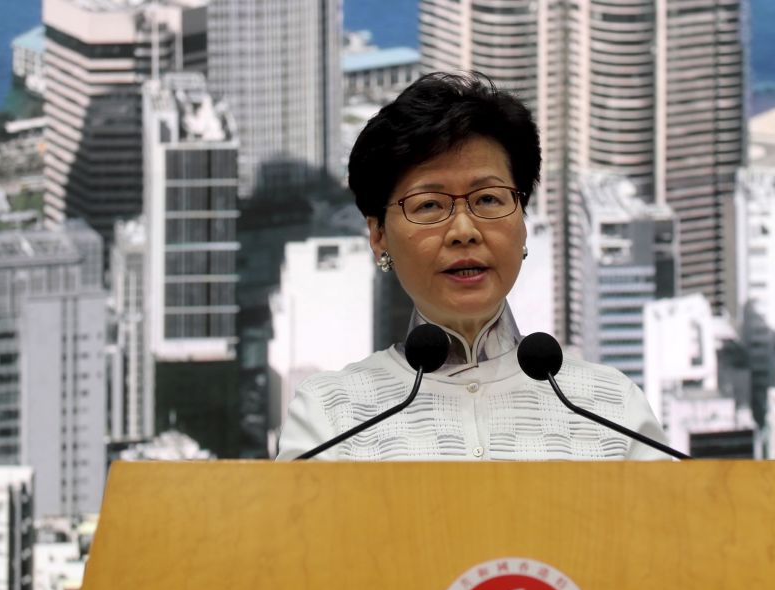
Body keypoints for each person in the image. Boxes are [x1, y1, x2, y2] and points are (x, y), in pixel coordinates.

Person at [276, 73, 669, 461]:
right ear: (378, 235)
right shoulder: (330, 417)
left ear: (523, 221)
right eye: (429, 205)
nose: (464, 231)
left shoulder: (611, 407)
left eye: (488, 200)